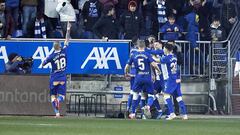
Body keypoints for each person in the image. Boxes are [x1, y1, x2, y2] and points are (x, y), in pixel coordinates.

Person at [42, 22, 71, 117]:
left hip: (54, 77)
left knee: (52, 96)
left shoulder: (51, 56)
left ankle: (57, 113)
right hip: (62, 77)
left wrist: (45, 62)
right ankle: (59, 102)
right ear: (60, 46)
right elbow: (67, 39)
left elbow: (43, 64)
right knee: (61, 96)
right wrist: (68, 29)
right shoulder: (65, 51)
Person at [124, 40, 160, 119]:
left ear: (137, 46)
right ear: (144, 46)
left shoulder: (134, 55)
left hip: (138, 78)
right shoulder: (147, 54)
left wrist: (126, 73)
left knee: (135, 94)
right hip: (147, 77)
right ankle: (148, 106)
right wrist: (158, 71)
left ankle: (133, 113)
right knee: (151, 95)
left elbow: (127, 66)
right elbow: (154, 65)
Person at [155, 43, 188, 120]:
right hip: (176, 78)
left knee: (166, 95)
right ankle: (185, 114)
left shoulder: (167, 58)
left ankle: (172, 113)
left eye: (164, 48)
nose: (163, 49)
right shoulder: (174, 57)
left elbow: (157, 60)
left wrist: (150, 57)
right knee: (178, 97)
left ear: (166, 49)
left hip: (170, 79)